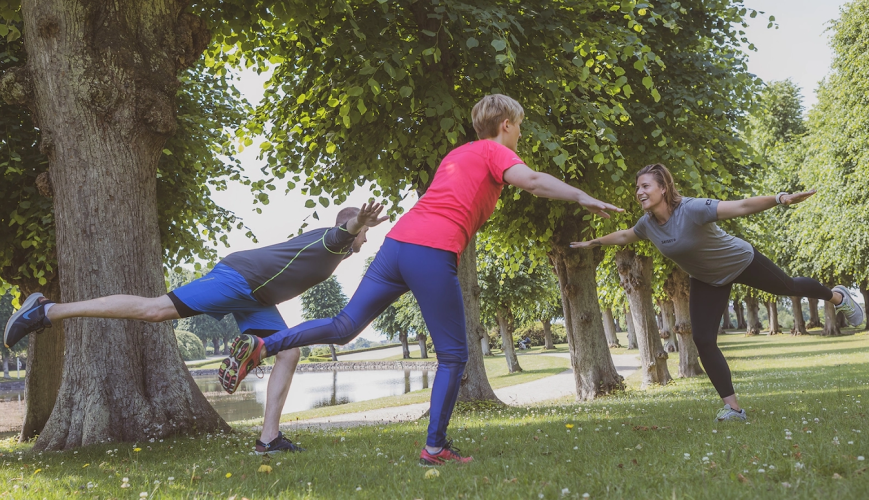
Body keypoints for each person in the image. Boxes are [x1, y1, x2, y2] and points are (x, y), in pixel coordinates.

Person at [217, 94, 623, 466]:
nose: (520, 133)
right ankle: (435, 447)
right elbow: (532, 181)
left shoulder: (457, 154)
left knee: (344, 326)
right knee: (454, 356)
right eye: (519, 125)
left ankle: (265, 344)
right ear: (505, 125)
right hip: (431, 250)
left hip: (397, 246)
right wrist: (581, 195)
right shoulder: (494, 151)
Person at [4, 203, 388, 454]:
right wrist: (357, 222)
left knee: (289, 351)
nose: (366, 237)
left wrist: (355, 226)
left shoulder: (335, 248)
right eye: (364, 233)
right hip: (240, 278)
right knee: (155, 310)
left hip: (258, 295)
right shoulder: (332, 241)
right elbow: (343, 231)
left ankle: (269, 438)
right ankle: (47, 310)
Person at [570, 163, 864, 421]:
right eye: (637, 187)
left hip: (740, 261)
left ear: (663, 188)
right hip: (708, 279)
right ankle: (733, 408)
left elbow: (741, 206)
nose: (639, 192)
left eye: (645, 186)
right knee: (703, 339)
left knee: (790, 287)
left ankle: (838, 297)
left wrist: (780, 198)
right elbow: (625, 235)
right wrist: (592, 243)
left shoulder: (692, 208)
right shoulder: (648, 225)